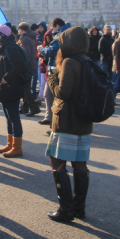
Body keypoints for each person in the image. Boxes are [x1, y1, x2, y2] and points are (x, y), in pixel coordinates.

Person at [45, 27, 92, 223]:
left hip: (66, 121)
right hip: (83, 121)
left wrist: (52, 77)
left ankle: (66, 209)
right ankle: (79, 208)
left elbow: (63, 93)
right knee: (80, 164)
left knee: (57, 162)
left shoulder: (70, 62)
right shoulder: (87, 61)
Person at [0, 24, 28, 158]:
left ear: (2, 36)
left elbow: (21, 65)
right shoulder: (3, 49)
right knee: (9, 118)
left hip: (12, 88)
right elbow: (1, 69)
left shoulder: (10, 48)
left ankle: (17, 147)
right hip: (5, 89)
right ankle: (10, 143)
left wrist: (6, 78)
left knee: (14, 118)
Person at [38, 18, 70, 126]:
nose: (51, 31)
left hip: (55, 68)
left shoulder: (59, 35)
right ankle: (50, 118)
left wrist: (41, 49)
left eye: (52, 28)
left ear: (57, 26)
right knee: (51, 94)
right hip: (60, 67)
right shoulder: (68, 33)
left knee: (51, 94)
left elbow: (51, 51)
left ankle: (54, 122)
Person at [17, 22, 42, 117]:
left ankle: (34, 108)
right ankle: (24, 108)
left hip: (26, 66)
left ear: (22, 29)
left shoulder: (24, 38)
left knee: (25, 89)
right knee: (25, 88)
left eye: (19, 29)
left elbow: (25, 53)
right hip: (31, 65)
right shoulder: (30, 37)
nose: (18, 31)